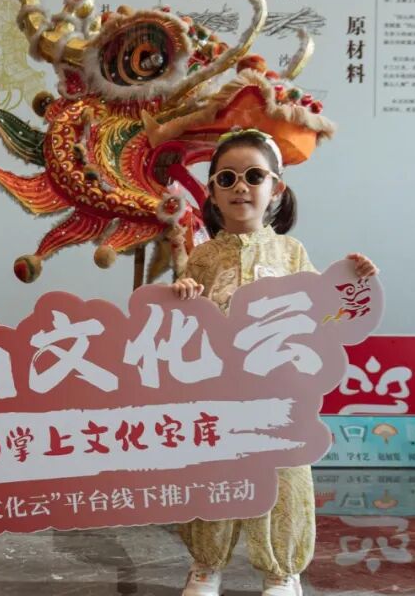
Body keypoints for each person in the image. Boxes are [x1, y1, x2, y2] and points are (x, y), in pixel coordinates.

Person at [173, 129, 377, 596]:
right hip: (218, 396)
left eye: (254, 176)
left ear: (276, 188)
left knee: (285, 479)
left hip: (282, 396)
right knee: (214, 474)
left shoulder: (292, 253)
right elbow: (182, 326)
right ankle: (206, 565)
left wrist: (357, 280)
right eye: (227, 178)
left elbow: (326, 312)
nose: (240, 187)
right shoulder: (201, 257)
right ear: (212, 192)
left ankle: (282, 572)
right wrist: (182, 293)